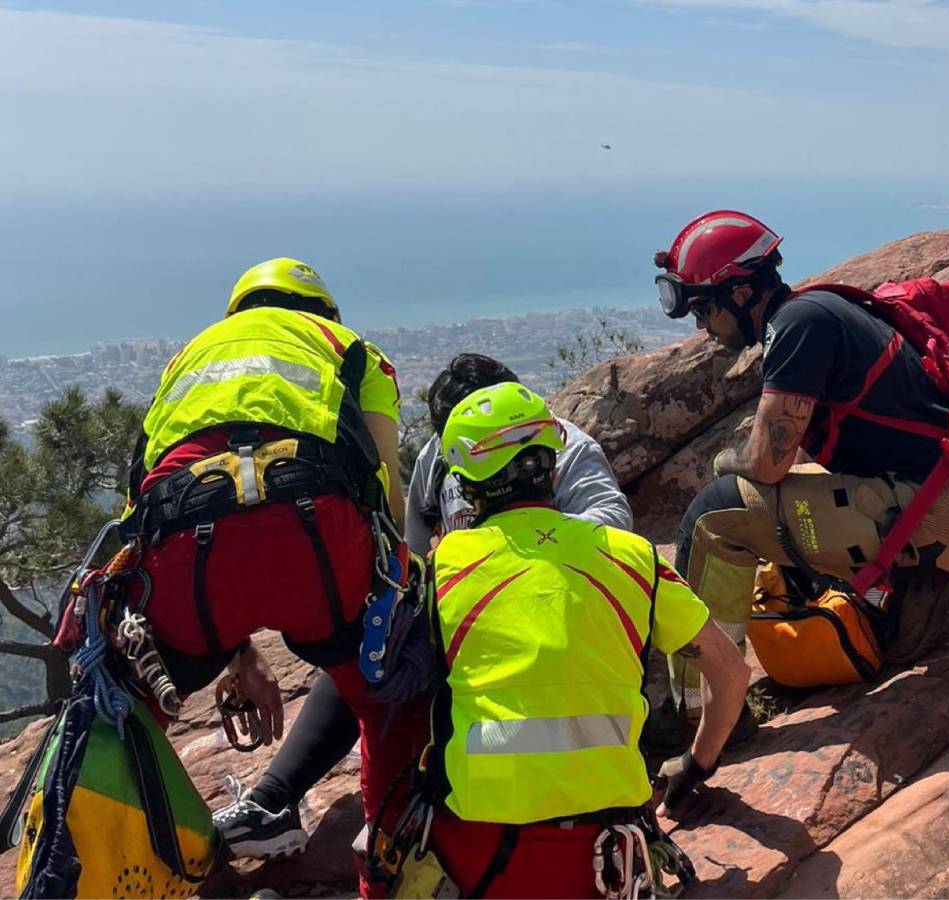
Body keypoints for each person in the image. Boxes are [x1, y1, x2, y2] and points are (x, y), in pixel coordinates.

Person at [217, 353, 632, 860]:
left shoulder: (558, 447)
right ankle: (272, 801)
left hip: (554, 609)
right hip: (472, 609)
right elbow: (409, 550)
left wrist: (512, 553)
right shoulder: (441, 455)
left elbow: (612, 524)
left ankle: (421, 807)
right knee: (372, 648)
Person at [119, 258, 421, 897]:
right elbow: (386, 487)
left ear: (239, 311)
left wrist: (236, 653)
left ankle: (149, 860)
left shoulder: (187, 358)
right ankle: (391, 869)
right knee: (383, 691)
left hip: (184, 543)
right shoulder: (350, 349)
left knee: (127, 708)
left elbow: (137, 499)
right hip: (316, 534)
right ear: (323, 312)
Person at [653, 210, 949, 722]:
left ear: (742, 294)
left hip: (935, 515)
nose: (702, 327)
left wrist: (726, 461)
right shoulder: (815, 310)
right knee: (773, 498)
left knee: (715, 512)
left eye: (704, 310)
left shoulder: (798, 327)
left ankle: (697, 712)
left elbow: (766, 464)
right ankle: (865, 606)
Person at [406, 381, 748, 898]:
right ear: (552, 463)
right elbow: (732, 673)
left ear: (468, 487)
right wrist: (695, 766)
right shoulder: (633, 558)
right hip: (604, 857)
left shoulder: (440, 571)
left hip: (479, 856)